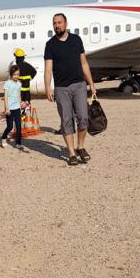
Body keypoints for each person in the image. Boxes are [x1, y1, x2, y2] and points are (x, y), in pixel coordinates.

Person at [44, 13, 96, 165]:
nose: (57, 25)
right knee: (66, 121)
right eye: (54, 23)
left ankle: (80, 147)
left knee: (83, 118)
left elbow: (84, 63)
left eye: (59, 22)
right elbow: (48, 69)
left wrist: (91, 83)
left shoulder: (76, 40)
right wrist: (48, 87)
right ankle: (72, 153)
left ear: (66, 24)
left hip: (79, 85)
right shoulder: (50, 44)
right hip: (61, 89)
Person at [0, 65, 24, 149]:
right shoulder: (7, 83)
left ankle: (18, 143)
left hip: (17, 108)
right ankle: (3, 138)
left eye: (17, 74)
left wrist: (21, 104)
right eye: (14, 74)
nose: (16, 76)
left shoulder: (19, 84)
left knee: (18, 126)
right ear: (11, 75)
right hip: (9, 109)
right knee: (10, 127)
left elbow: (19, 95)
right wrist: (7, 108)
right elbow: (5, 97)